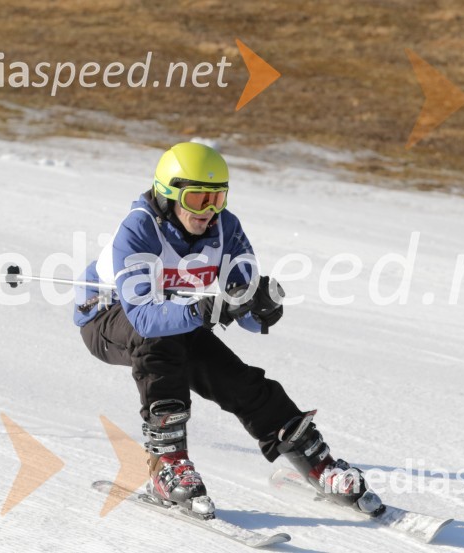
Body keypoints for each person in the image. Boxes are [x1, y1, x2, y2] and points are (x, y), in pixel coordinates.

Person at [73, 142, 381, 519]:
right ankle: (167, 464)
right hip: (107, 316)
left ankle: (317, 461)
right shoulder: (138, 230)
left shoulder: (225, 227)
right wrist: (205, 308)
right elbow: (143, 318)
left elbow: (245, 304)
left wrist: (261, 309)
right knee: (159, 345)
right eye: (199, 200)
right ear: (169, 195)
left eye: (218, 198)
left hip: (178, 318)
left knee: (233, 377)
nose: (210, 212)